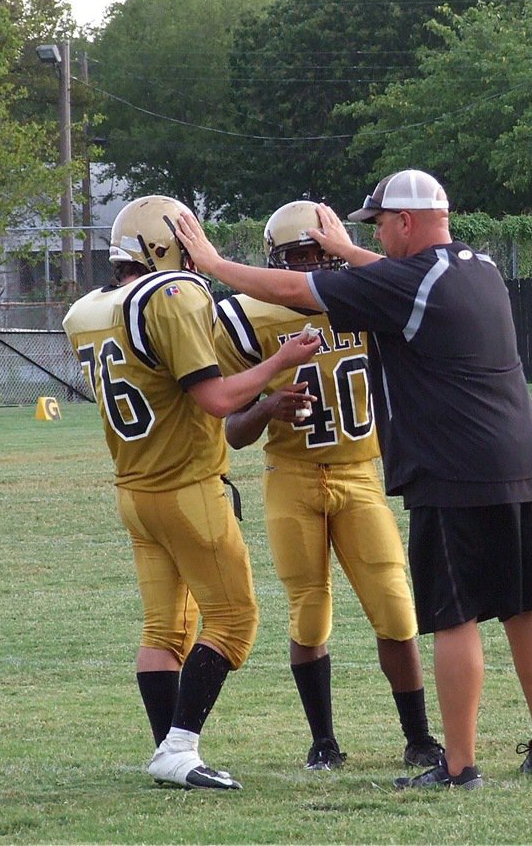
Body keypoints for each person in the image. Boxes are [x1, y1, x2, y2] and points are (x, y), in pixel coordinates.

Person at [175, 170, 532, 790]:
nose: (377, 236)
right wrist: (346, 250)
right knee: (524, 610)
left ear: (407, 222)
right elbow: (400, 277)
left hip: (454, 467)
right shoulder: (480, 268)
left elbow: (294, 287)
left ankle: (458, 765)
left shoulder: (408, 280)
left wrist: (211, 262)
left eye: (382, 224)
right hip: (520, 458)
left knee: (454, 618)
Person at [63, 195, 320, 790]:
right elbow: (217, 400)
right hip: (187, 489)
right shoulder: (172, 293)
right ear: (165, 248)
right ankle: (180, 747)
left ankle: (167, 754)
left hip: (135, 491)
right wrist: (280, 360)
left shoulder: (89, 309)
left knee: (163, 630)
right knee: (234, 621)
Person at [211, 200, 444, 773]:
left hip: (359, 472)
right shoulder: (246, 317)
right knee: (309, 613)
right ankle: (323, 742)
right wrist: (267, 407)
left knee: (396, 610)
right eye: (298, 258)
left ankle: (418, 737)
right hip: (291, 475)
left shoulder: (365, 300)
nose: (311, 268)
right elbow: (233, 431)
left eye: (320, 255)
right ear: (276, 261)